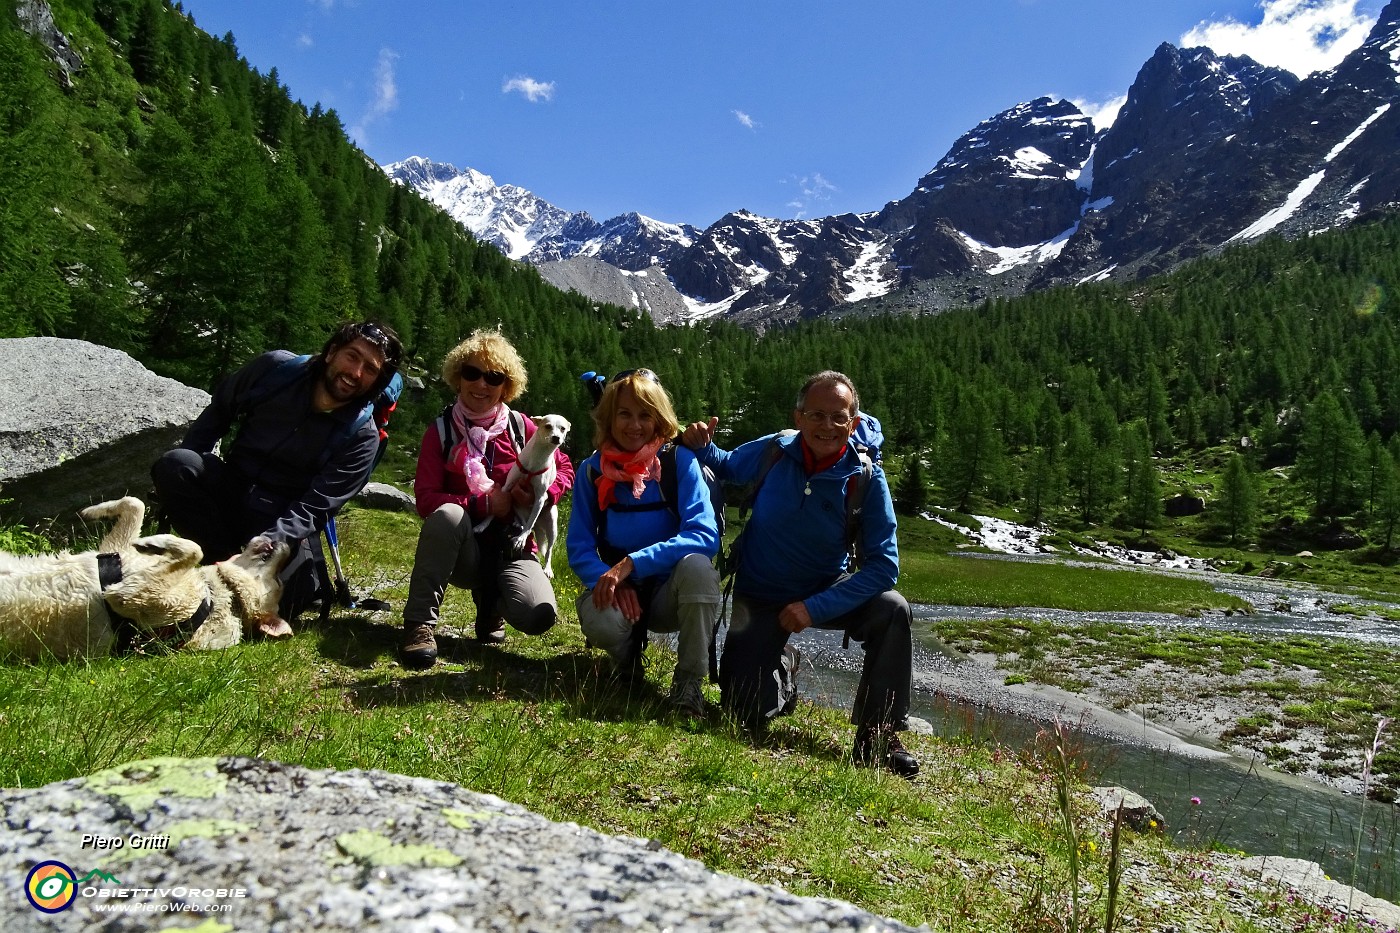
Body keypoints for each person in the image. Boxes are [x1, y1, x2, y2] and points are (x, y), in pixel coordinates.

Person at [681, 370, 919, 778]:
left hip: (825, 589)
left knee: (893, 609)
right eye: (816, 415)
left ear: (854, 423)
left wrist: (813, 607)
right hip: (759, 595)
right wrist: (701, 446)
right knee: (743, 712)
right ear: (798, 417)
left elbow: (885, 566)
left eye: (839, 417)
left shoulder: (866, 478)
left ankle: (878, 735)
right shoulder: (775, 450)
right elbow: (727, 466)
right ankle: (784, 668)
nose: (827, 426)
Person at [151, 320, 403, 628]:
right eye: (352, 356)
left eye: (371, 369)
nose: (356, 373)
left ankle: (231, 570)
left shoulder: (362, 438)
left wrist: (263, 547)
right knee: (177, 465)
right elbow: (220, 410)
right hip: (232, 485)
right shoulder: (277, 371)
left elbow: (315, 508)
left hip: (280, 517)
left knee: (293, 597)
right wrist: (195, 456)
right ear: (332, 352)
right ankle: (220, 561)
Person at [400, 329, 574, 669]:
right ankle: (419, 624)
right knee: (446, 515)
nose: (481, 384)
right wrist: (482, 504)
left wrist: (548, 491)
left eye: (493, 377)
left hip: (513, 544)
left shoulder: (523, 427)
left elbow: (563, 464)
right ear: (457, 376)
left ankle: (491, 604)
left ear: (505, 385)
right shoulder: (441, 432)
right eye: (472, 373)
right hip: (464, 546)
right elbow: (425, 499)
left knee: (538, 615)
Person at [567, 369, 722, 717]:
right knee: (602, 621)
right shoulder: (592, 471)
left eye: (645, 415)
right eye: (624, 414)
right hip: (620, 588)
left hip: (671, 592)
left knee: (699, 567)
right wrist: (607, 578)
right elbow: (578, 547)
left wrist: (631, 564)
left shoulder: (679, 461)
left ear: (659, 420)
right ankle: (626, 665)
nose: (634, 425)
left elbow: (705, 535)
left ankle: (688, 686)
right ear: (609, 417)